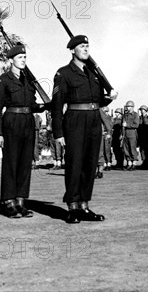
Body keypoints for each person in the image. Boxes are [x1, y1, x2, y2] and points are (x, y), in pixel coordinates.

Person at [51, 35, 116, 224]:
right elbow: (57, 106)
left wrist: (110, 97)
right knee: (75, 164)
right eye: (82, 46)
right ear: (72, 50)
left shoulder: (93, 73)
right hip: (75, 121)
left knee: (89, 164)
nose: (86, 49)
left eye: (87, 46)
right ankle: (72, 206)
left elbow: (96, 99)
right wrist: (58, 133)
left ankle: (84, 205)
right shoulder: (64, 73)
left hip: (94, 121)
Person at [0, 44, 45, 218]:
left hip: (28, 122)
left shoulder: (28, 81)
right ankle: (8, 201)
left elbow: (31, 104)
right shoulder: (4, 80)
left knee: (24, 163)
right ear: (11, 60)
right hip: (11, 122)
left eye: (25, 57)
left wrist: (45, 105)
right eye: (20, 57)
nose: (23, 60)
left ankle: (21, 201)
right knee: (11, 163)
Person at [122, 100, 139, 170]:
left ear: (132, 107)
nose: (128, 108)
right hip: (125, 133)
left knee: (132, 148)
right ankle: (129, 163)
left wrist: (127, 125)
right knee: (126, 149)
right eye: (127, 106)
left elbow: (136, 125)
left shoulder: (135, 115)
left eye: (129, 106)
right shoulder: (125, 115)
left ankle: (134, 163)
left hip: (132, 133)